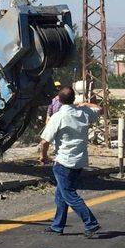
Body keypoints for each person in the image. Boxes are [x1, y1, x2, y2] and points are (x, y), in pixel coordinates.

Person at [39, 86, 101, 238]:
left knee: (69, 195)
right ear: (74, 99)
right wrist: (85, 103)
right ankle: (57, 225)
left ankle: (91, 223)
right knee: (61, 195)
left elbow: (44, 141)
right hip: (79, 161)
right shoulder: (84, 113)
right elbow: (99, 108)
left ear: (59, 100)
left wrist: (43, 156)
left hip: (64, 162)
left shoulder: (58, 117)